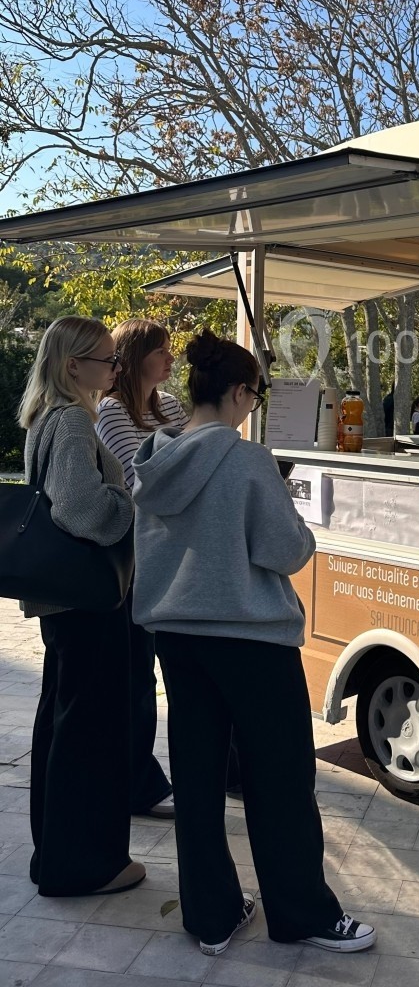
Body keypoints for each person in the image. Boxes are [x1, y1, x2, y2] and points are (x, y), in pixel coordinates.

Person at [131, 329, 376, 957]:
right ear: (240, 392)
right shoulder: (246, 459)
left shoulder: (154, 459)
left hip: (176, 636)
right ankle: (302, 914)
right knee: (281, 781)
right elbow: (286, 550)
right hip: (250, 638)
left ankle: (210, 918)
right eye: (253, 395)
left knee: (197, 774)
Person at [18, 316, 144, 897]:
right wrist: (126, 502)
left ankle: (58, 856)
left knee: (63, 723)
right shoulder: (71, 420)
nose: (116, 370)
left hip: (61, 600)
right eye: (108, 361)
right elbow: (79, 509)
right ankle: (86, 864)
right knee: (90, 731)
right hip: (88, 599)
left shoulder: (47, 417)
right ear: (75, 366)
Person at [95, 319, 188, 820]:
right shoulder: (110, 411)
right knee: (137, 670)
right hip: (133, 558)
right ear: (136, 358)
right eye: (162, 350)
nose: (171, 360)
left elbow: (184, 468)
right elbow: (141, 486)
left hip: (170, 554)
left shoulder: (170, 406)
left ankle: (147, 779)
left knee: (159, 666)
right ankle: (138, 782)